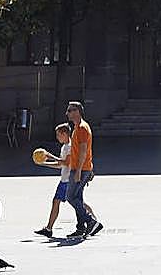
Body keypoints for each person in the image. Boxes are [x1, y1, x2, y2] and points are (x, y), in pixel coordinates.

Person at [34, 123, 97, 238]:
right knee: (62, 201)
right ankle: (49, 228)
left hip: (69, 180)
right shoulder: (65, 146)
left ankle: (92, 220)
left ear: (64, 134)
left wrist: (49, 156)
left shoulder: (70, 146)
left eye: (58, 135)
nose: (57, 137)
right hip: (64, 179)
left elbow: (66, 162)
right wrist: (44, 163)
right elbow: (61, 165)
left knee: (75, 202)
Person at [65, 101, 103, 238]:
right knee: (78, 198)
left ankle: (91, 222)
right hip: (82, 168)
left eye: (70, 110)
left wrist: (79, 171)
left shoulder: (81, 128)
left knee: (70, 197)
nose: (67, 113)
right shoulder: (78, 127)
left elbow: (83, 150)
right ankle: (80, 228)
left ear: (77, 112)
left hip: (79, 169)